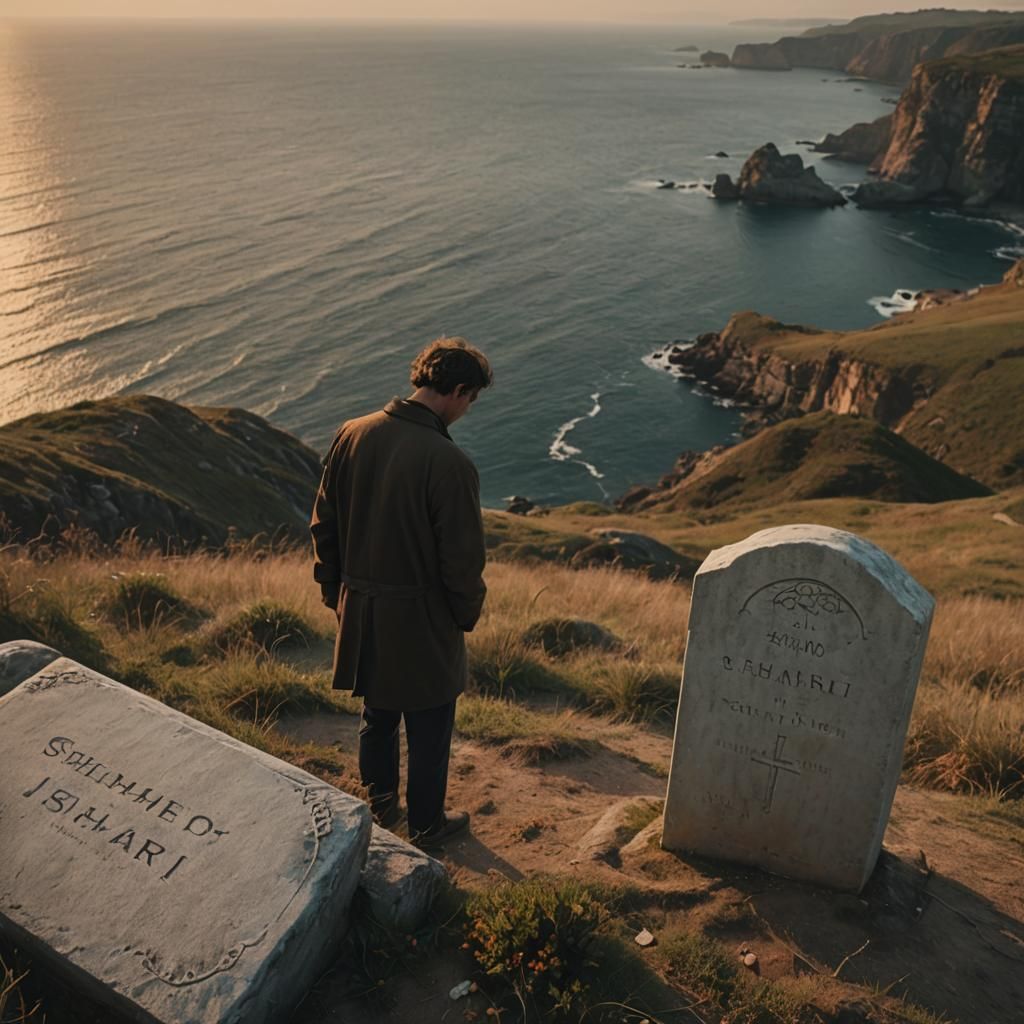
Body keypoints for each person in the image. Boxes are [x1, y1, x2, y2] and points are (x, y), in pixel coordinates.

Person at [310, 336, 492, 848]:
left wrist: (336, 596)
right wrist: (464, 615)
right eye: (470, 399)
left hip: (361, 609)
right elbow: (462, 560)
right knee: (431, 726)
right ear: (456, 390)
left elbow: (324, 524)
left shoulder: (352, 433)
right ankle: (429, 826)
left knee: (378, 716)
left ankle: (381, 805)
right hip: (422, 614)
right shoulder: (449, 462)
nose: (467, 410)